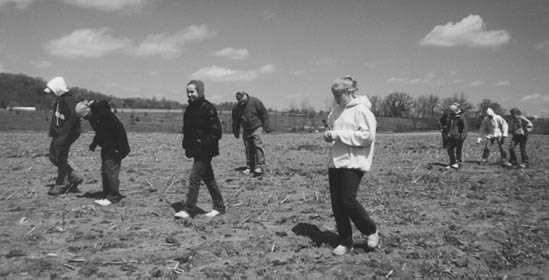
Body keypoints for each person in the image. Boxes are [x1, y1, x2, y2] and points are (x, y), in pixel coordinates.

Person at [323, 76, 378, 256]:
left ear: (349, 92)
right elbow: (334, 129)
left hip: (354, 161)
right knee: (337, 204)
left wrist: (338, 135)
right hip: (336, 161)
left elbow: (367, 137)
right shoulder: (335, 111)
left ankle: (370, 230)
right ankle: (346, 241)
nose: (337, 98)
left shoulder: (362, 110)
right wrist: (329, 135)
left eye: (339, 94)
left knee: (347, 200)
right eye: (334, 95)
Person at [175, 80, 225, 219]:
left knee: (194, 177)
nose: (189, 94)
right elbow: (187, 131)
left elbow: (216, 132)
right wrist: (187, 146)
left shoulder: (208, 108)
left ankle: (189, 209)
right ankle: (219, 207)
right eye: (188, 92)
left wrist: (202, 143)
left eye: (192, 91)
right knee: (208, 178)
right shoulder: (189, 109)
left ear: (199, 92)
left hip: (206, 150)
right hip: (196, 150)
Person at [75, 100, 130, 206]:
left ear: (88, 110)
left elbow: (116, 130)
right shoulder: (95, 116)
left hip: (116, 146)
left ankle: (113, 196)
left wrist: (116, 148)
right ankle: (106, 194)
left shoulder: (103, 115)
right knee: (105, 170)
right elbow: (99, 132)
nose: (85, 119)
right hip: (108, 145)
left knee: (111, 170)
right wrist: (94, 144)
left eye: (85, 116)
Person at [44, 76, 83, 195]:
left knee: (60, 157)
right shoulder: (59, 101)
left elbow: (71, 122)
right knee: (53, 156)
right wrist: (54, 132)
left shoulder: (68, 101)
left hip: (67, 134)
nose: (50, 95)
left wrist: (63, 138)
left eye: (52, 92)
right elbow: (56, 119)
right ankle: (73, 177)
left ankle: (61, 183)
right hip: (59, 133)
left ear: (58, 90)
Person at [232, 91, 270, 176]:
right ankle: (250, 167)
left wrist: (266, 126)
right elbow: (235, 121)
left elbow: (264, 114)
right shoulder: (236, 107)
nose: (241, 103)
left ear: (245, 96)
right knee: (248, 148)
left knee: (257, 145)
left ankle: (260, 166)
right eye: (239, 101)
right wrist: (236, 131)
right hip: (246, 129)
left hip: (256, 127)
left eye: (242, 100)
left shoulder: (255, 102)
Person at [444, 103, 468, 169]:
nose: (450, 112)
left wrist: (463, 136)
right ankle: (452, 162)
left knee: (458, 150)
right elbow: (450, 126)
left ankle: (459, 164)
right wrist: (447, 132)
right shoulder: (451, 116)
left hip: (459, 136)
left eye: (451, 111)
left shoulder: (461, 116)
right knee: (449, 149)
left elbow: (465, 127)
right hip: (452, 136)